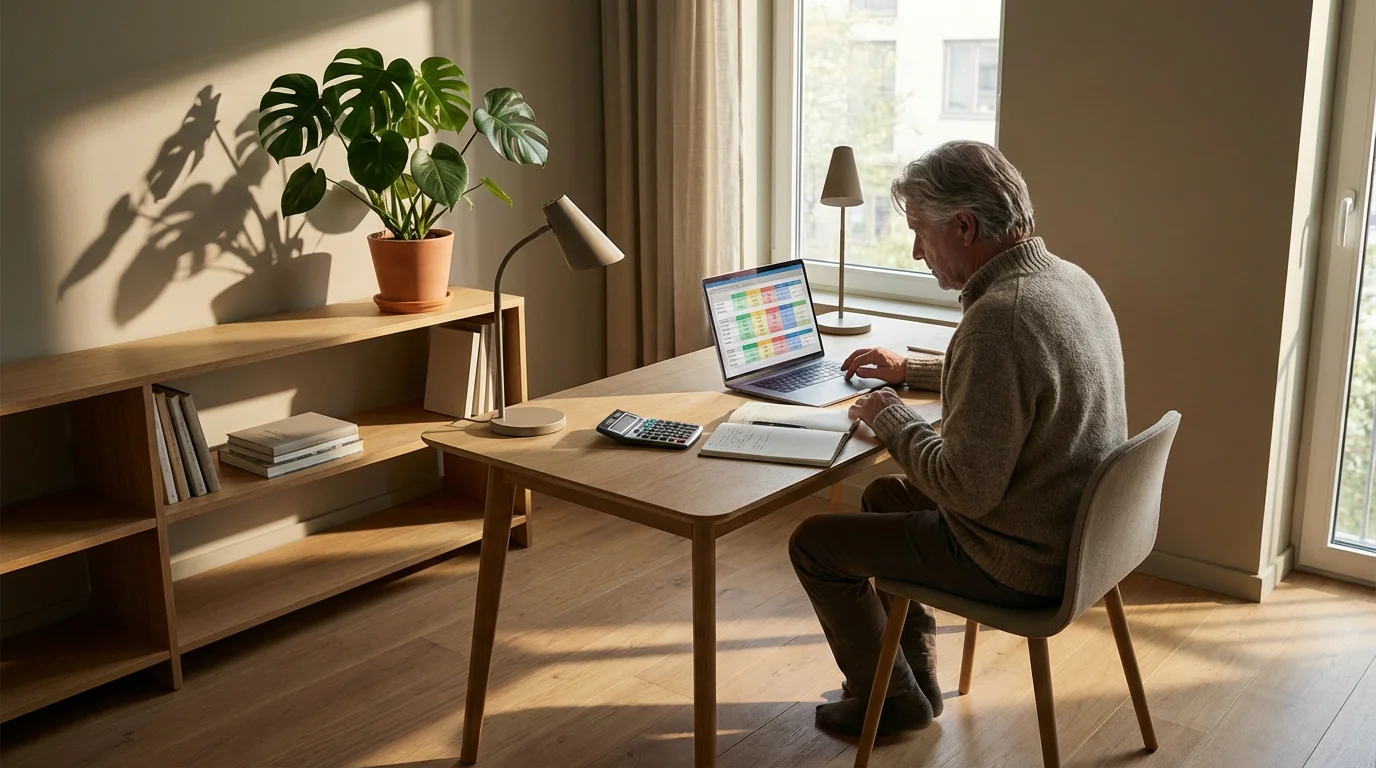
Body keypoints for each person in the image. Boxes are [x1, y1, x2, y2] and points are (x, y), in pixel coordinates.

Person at [789, 140, 1128, 736]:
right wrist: (911, 372)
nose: (918, 251)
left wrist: (892, 415)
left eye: (921, 232)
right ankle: (911, 683)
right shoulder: (1067, 280)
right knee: (884, 499)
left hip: (1021, 560)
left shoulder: (1001, 318)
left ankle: (889, 702)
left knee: (815, 542)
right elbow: (1018, 384)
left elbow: (964, 489)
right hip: (1077, 537)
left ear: (965, 226)